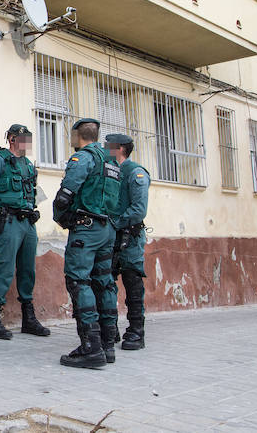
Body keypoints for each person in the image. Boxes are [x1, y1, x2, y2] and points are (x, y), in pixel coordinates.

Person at [52, 118, 121, 369]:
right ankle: (107, 345)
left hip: (86, 230)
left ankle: (90, 347)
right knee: (104, 282)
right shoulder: (111, 161)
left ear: (77, 135)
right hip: (107, 229)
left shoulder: (83, 158)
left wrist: (63, 216)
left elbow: (64, 196)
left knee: (79, 281)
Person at [0, 124, 51, 340]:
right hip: (9, 221)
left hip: (28, 223)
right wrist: (0, 213)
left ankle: (28, 319)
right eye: (23, 139)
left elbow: (35, 193)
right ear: (12, 139)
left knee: (28, 269)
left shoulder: (29, 165)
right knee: (5, 268)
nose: (27, 144)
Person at [105, 133, 151, 351]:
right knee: (106, 282)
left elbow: (138, 210)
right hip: (110, 237)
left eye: (108, 146)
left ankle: (136, 331)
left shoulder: (136, 173)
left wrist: (115, 222)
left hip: (129, 237)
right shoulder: (110, 172)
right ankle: (110, 328)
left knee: (133, 283)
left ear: (120, 149)